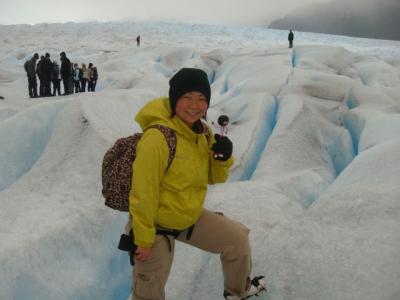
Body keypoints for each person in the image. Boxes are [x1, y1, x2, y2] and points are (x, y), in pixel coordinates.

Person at [129, 68, 266, 300]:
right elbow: (143, 193)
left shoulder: (202, 132)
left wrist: (223, 159)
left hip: (187, 217)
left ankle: (237, 292)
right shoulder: (157, 138)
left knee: (237, 240)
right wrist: (143, 239)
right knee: (148, 291)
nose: (195, 105)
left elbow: (215, 178)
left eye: (202, 99)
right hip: (155, 225)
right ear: (174, 99)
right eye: (187, 97)